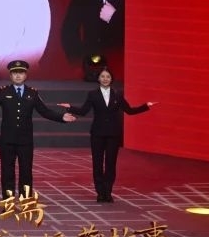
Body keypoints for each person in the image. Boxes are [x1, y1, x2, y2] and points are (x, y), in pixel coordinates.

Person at [0, 60, 76, 198]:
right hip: (7, 139)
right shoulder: (3, 92)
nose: (18, 76)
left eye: (21, 73)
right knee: (7, 172)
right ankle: (8, 201)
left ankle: (25, 200)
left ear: (26, 75)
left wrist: (61, 117)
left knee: (26, 172)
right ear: (10, 76)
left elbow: (45, 111)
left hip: (25, 140)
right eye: (15, 73)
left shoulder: (32, 93)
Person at [61, 67, 157, 203]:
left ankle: (108, 191)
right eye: (103, 76)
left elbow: (129, 111)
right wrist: (70, 107)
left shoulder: (117, 94)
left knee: (111, 164)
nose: (105, 79)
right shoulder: (92, 94)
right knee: (97, 163)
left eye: (108, 77)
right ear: (98, 79)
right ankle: (100, 192)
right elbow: (83, 111)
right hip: (97, 133)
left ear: (111, 79)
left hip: (113, 133)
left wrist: (146, 106)